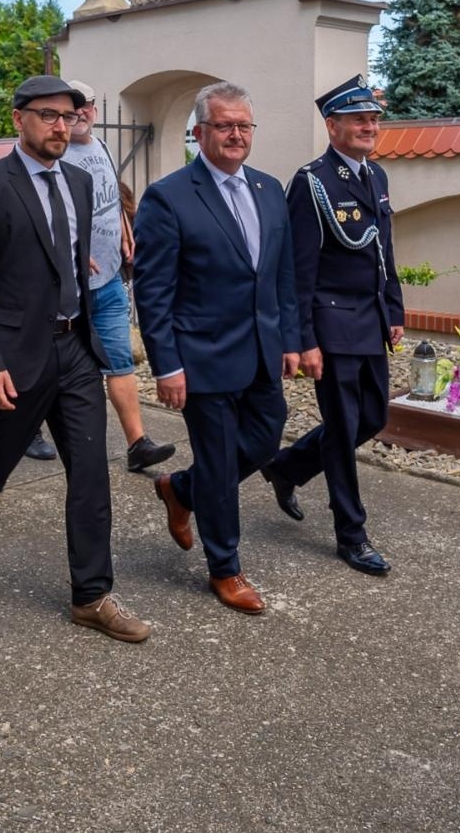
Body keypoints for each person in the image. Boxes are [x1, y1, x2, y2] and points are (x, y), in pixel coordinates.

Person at [0, 74, 151, 644]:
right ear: (18, 119)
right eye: (47, 115)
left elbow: (68, 251)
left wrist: (69, 273)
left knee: (90, 472)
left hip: (74, 348)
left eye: (69, 115)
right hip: (15, 355)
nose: (61, 125)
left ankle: (92, 595)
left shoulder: (81, 182)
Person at [132, 81, 299, 614]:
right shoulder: (169, 196)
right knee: (221, 460)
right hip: (201, 356)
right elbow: (154, 290)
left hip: (261, 352)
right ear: (199, 132)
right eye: (224, 125)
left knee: (265, 441)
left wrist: (290, 339)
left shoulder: (270, 190)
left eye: (243, 125)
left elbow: (283, 277)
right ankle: (225, 568)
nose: (235, 134)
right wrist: (168, 364)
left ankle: (181, 489)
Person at [260, 75, 405, 576]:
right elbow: (299, 269)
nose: (370, 127)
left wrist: (394, 310)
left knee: (372, 419)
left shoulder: (376, 177)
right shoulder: (313, 182)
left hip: (370, 321)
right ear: (332, 124)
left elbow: (384, 251)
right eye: (359, 119)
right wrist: (304, 339)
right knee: (343, 432)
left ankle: (287, 466)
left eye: (373, 119)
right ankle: (352, 533)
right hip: (332, 324)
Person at [62, 79, 175, 474]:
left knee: (119, 362)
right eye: (73, 106)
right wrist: (73, 249)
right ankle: (31, 432)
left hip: (108, 279)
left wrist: (128, 234)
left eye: (87, 105)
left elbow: (112, 200)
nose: (81, 113)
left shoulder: (103, 147)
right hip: (68, 287)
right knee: (55, 368)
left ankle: (137, 443)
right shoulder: (54, 156)